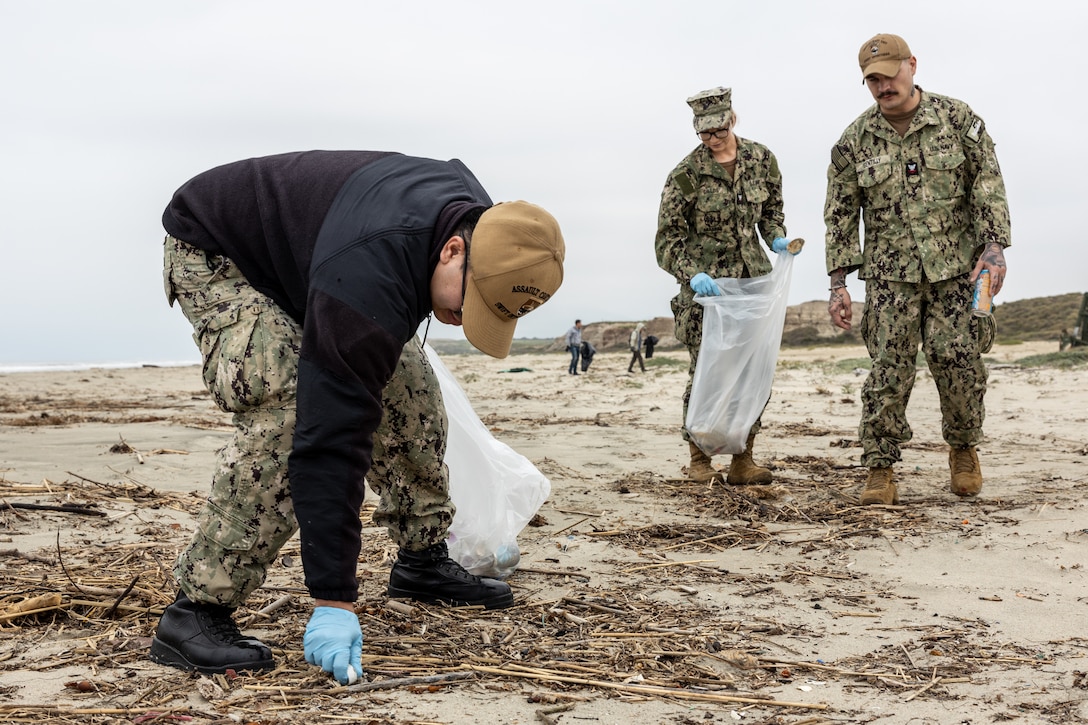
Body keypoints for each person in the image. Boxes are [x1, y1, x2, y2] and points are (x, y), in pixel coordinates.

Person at [148, 150, 565, 685]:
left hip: (321, 256)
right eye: (471, 304)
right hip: (223, 253)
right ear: (453, 250)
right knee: (289, 412)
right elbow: (328, 440)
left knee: (412, 396)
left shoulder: (487, 230)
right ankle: (195, 611)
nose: (464, 322)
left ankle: (422, 560)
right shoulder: (371, 268)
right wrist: (334, 601)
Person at [824, 34, 1011, 505]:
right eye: (872, 79)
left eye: (889, 74)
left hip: (962, 273)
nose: (882, 85)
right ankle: (880, 467)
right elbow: (840, 215)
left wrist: (995, 247)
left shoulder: (958, 120)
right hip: (890, 278)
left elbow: (987, 184)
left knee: (961, 363)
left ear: (911, 64)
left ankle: (964, 450)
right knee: (888, 370)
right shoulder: (853, 141)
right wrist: (838, 283)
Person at [655, 87, 800, 485]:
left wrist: (777, 240)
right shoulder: (685, 176)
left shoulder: (762, 160)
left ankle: (743, 457)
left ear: (731, 119)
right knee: (707, 372)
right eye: (703, 133)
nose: (711, 139)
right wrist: (691, 272)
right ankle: (700, 458)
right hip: (707, 292)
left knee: (752, 373)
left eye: (717, 130)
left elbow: (771, 214)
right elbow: (666, 241)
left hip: (751, 285)